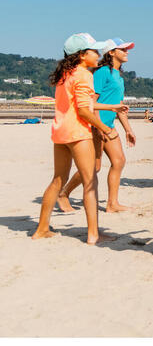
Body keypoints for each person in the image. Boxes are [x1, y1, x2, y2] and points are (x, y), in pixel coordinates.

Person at [32, 33, 127, 243]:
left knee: (58, 180)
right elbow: (84, 111)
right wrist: (104, 127)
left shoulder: (65, 74)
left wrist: (110, 109)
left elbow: (79, 106)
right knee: (90, 182)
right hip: (78, 134)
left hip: (60, 133)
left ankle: (41, 229)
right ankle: (93, 234)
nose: (98, 54)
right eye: (94, 51)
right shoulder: (84, 75)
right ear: (82, 55)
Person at [57, 37, 136, 213]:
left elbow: (119, 106)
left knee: (119, 161)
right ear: (111, 52)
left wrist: (128, 130)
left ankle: (112, 204)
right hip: (97, 124)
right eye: (123, 49)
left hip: (109, 125)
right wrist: (99, 126)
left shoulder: (118, 76)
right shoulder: (102, 72)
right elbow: (92, 102)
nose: (127, 52)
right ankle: (63, 193)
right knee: (95, 167)